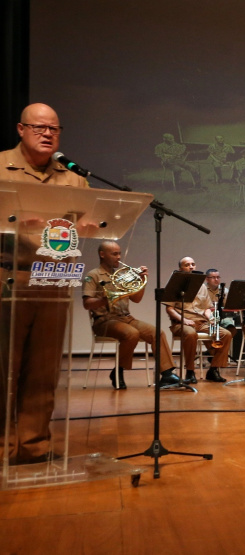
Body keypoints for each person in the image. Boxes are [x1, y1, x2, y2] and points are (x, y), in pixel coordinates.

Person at [1, 103, 89, 465]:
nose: (47, 133)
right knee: (5, 366)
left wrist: (85, 230)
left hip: (54, 279)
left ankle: (34, 444)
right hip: (9, 276)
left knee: (43, 369)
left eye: (54, 128)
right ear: (21, 129)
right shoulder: (1, 166)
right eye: (39, 127)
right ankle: (4, 445)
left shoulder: (73, 177)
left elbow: (88, 223)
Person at [82, 241, 182, 389]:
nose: (118, 257)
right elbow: (87, 304)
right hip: (104, 320)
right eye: (114, 254)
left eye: (119, 253)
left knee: (157, 332)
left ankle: (166, 374)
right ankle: (119, 371)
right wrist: (106, 299)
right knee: (131, 334)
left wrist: (142, 281)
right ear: (102, 255)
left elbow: (136, 299)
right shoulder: (93, 275)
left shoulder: (121, 275)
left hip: (126, 318)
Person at [164, 257, 234, 384]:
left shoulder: (201, 286)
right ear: (180, 269)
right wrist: (184, 320)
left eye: (193, 264)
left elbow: (207, 308)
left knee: (226, 334)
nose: (191, 267)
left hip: (201, 322)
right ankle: (190, 371)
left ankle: (213, 369)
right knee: (191, 334)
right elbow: (169, 309)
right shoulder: (174, 284)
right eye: (187, 265)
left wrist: (211, 318)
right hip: (181, 323)